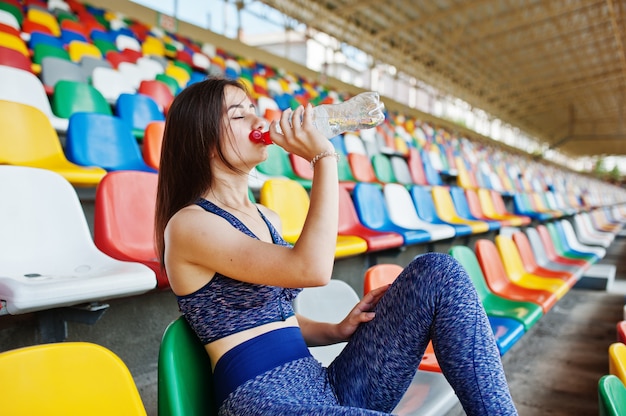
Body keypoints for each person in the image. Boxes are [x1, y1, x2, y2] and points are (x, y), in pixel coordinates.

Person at [155, 77, 518, 416]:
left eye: (253, 107)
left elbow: (270, 316)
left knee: (439, 273)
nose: (257, 117)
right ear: (202, 140)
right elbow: (312, 270)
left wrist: (336, 329)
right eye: (239, 113)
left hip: (323, 384)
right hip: (264, 399)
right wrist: (323, 158)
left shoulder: (267, 216)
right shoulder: (190, 224)